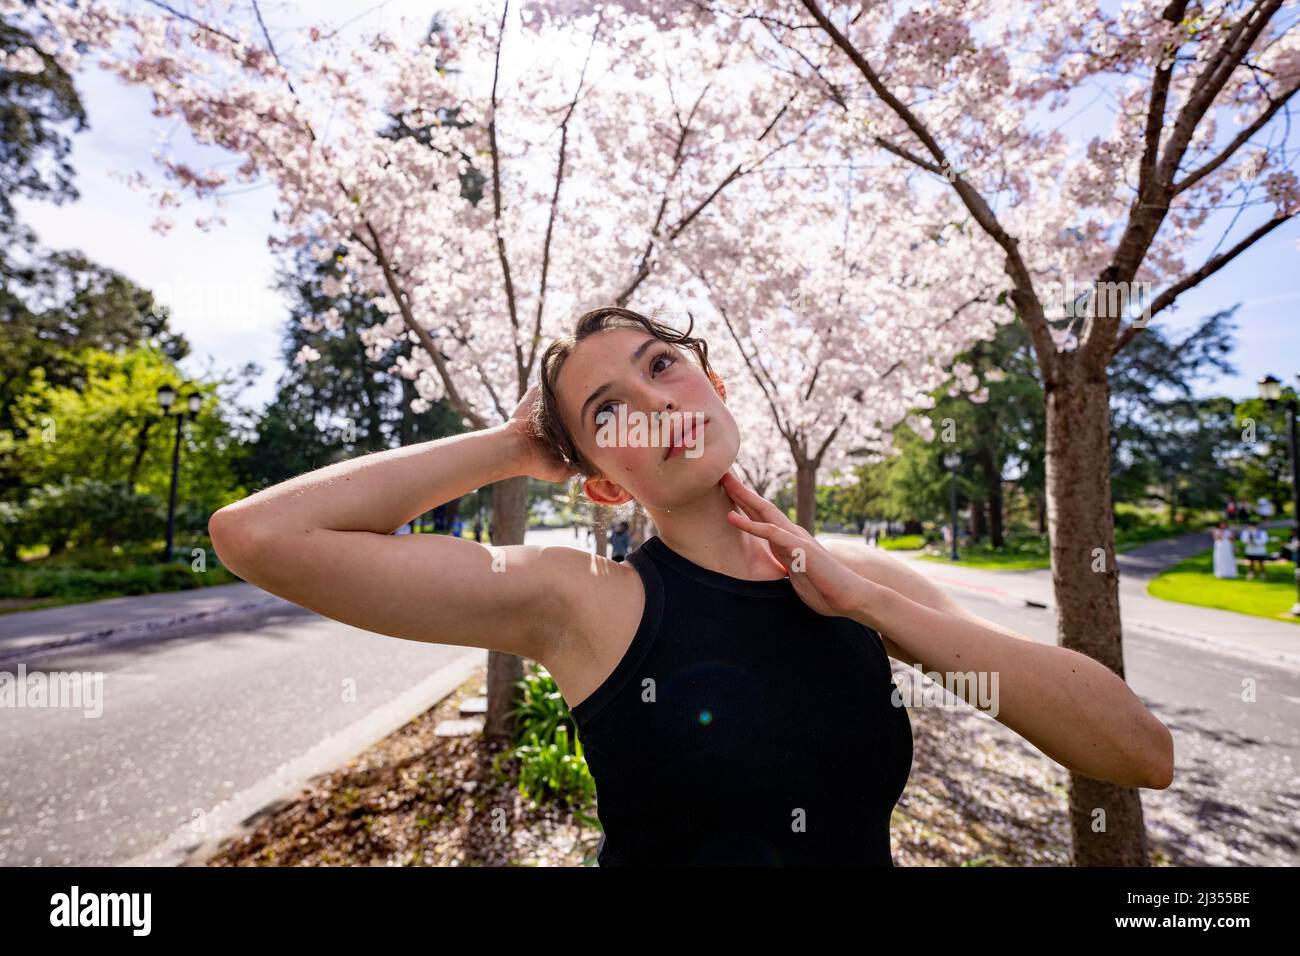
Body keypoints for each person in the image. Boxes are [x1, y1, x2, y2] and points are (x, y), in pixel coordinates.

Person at [207, 305, 1174, 867]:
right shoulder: (583, 601)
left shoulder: (861, 580)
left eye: (663, 366)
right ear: (596, 479)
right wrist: (512, 444)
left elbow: (1134, 750)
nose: (656, 404)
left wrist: (874, 606)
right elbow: (258, 536)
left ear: (711, 383)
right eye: (608, 410)